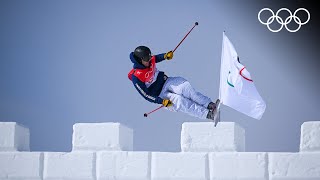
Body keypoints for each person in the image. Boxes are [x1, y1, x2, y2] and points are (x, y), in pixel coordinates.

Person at [128, 46, 218, 120]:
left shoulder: (149, 60)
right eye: (147, 59)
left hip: (166, 81)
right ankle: (208, 114)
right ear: (140, 60)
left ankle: (209, 104)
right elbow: (146, 95)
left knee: (185, 87)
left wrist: (165, 56)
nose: (149, 60)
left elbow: (156, 58)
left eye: (149, 57)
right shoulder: (136, 77)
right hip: (160, 94)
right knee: (180, 101)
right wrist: (162, 101)